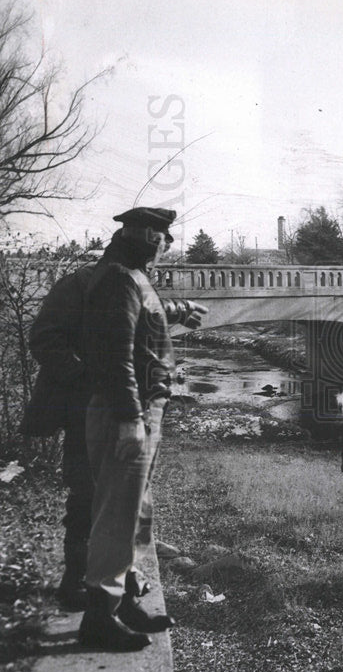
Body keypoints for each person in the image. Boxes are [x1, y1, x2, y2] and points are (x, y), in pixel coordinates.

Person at [23, 247, 207, 612]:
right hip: (83, 407)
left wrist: (181, 310)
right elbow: (44, 338)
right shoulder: (77, 285)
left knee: (130, 493)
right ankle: (75, 580)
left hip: (125, 406)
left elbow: (142, 313)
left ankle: (123, 574)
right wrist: (86, 379)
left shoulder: (128, 282)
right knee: (86, 492)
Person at [77, 206, 188, 651]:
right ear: (145, 236)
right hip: (128, 409)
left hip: (144, 406)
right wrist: (128, 417)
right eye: (164, 237)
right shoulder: (121, 278)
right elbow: (116, 353)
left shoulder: (131, 276)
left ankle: (124, 600)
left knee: (137, 510)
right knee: (118, 514)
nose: (168, 246)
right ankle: (98, 618)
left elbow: (142, 331)